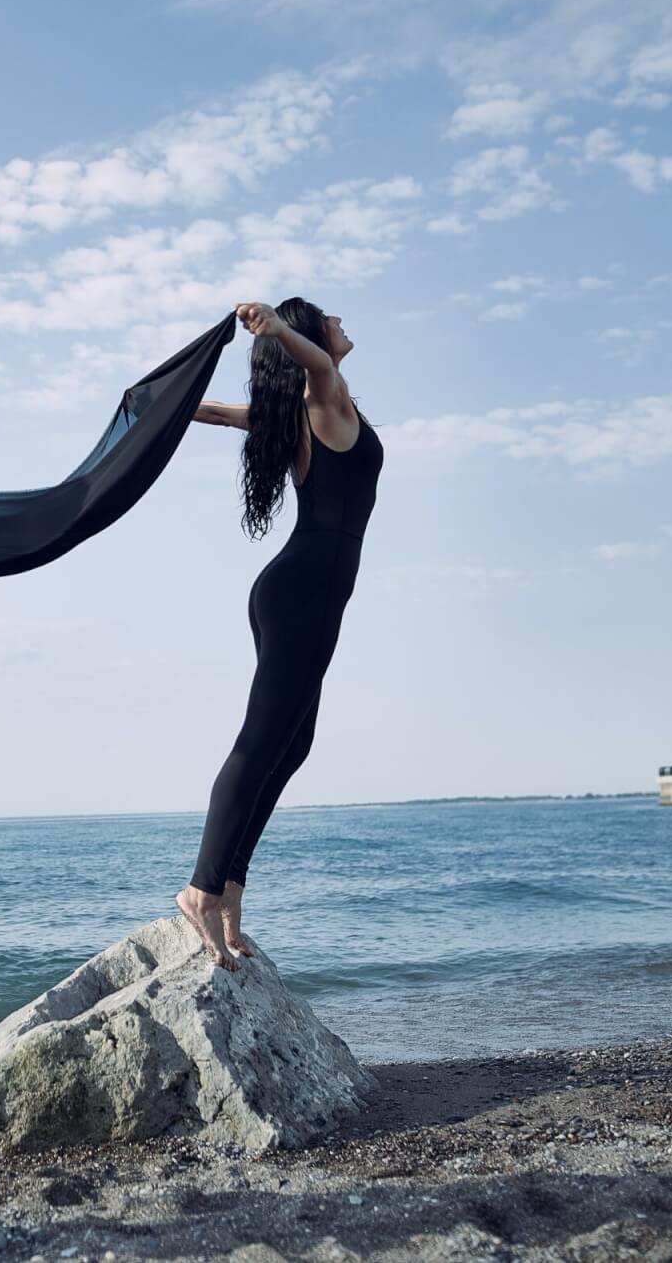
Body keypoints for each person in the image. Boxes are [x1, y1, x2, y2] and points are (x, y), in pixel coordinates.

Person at [174, 298, 384, 969]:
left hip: (301, 590)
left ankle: (230, 884)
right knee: (262, 742)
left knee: (292, 744)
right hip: (303, 591)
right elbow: (317, 362)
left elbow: (214, 413)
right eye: (328, 316)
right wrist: (278, 328)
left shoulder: (302, 413)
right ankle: (200, 890)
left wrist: (167, 406)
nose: (342, 319)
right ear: (307, 335)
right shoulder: (328, 395)